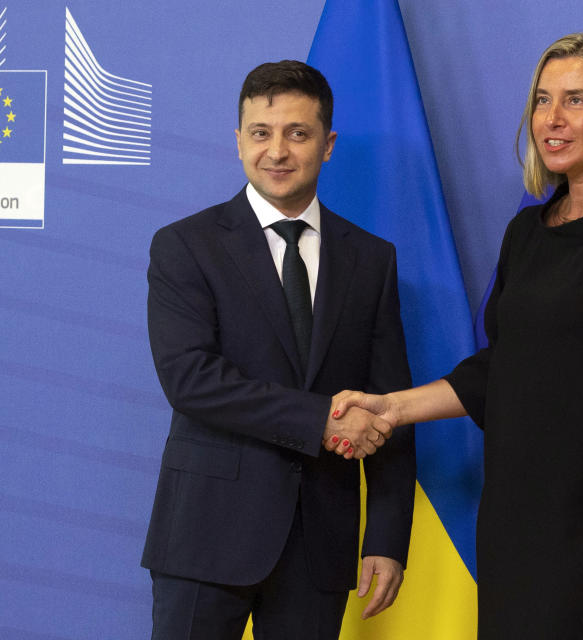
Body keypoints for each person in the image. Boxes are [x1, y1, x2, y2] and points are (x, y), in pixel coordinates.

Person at [329, 34, 583, 639]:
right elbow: (501, 368)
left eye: (575, 100)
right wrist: (389, 408)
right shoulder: (527, 232)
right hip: (513, 528)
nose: (551, 119)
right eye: (542, 99)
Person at [141, 60, 416, 640]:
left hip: (321, 541)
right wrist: (320, 419)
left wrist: (388, 537)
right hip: (205, 536)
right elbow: (191, 379)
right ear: (238, 140)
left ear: (328, 143)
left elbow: (390, 405)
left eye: (298, 133)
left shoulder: (372, 260)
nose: (278, 151)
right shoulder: (185, 246)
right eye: (261, 133)